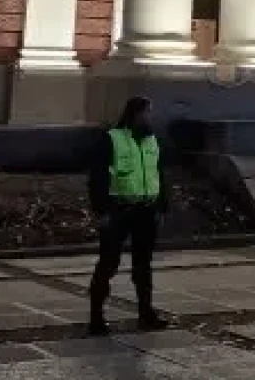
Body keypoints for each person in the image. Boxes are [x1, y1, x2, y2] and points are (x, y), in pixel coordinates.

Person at [87, 96, 171, 336]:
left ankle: (146, 313)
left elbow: (160, 174)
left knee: (143, 265)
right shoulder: (112, 139)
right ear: (134, 114)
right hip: (118, 210)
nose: (150, 117)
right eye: (146, 113)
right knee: (108, 264)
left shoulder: (152, 140)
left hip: (146, 210)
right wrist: (101, 210)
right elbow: (98, 178)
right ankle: (96, 318)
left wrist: (162, 206)